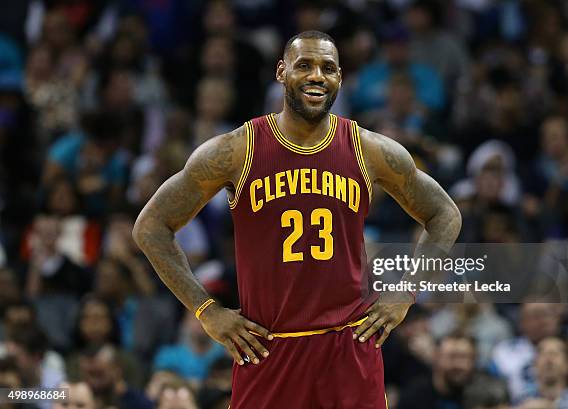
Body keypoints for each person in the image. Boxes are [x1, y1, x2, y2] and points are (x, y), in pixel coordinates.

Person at [133, 30, 461, 409]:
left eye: (328, 68)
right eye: (304, 65)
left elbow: (445, 214)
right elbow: (151, 227)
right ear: (281, 71)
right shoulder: (236, 150)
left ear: (340, 78)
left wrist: (405, 292)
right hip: (267, 349)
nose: (317, 76)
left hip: (347, 347)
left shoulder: (369, 149)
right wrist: (207, 311)